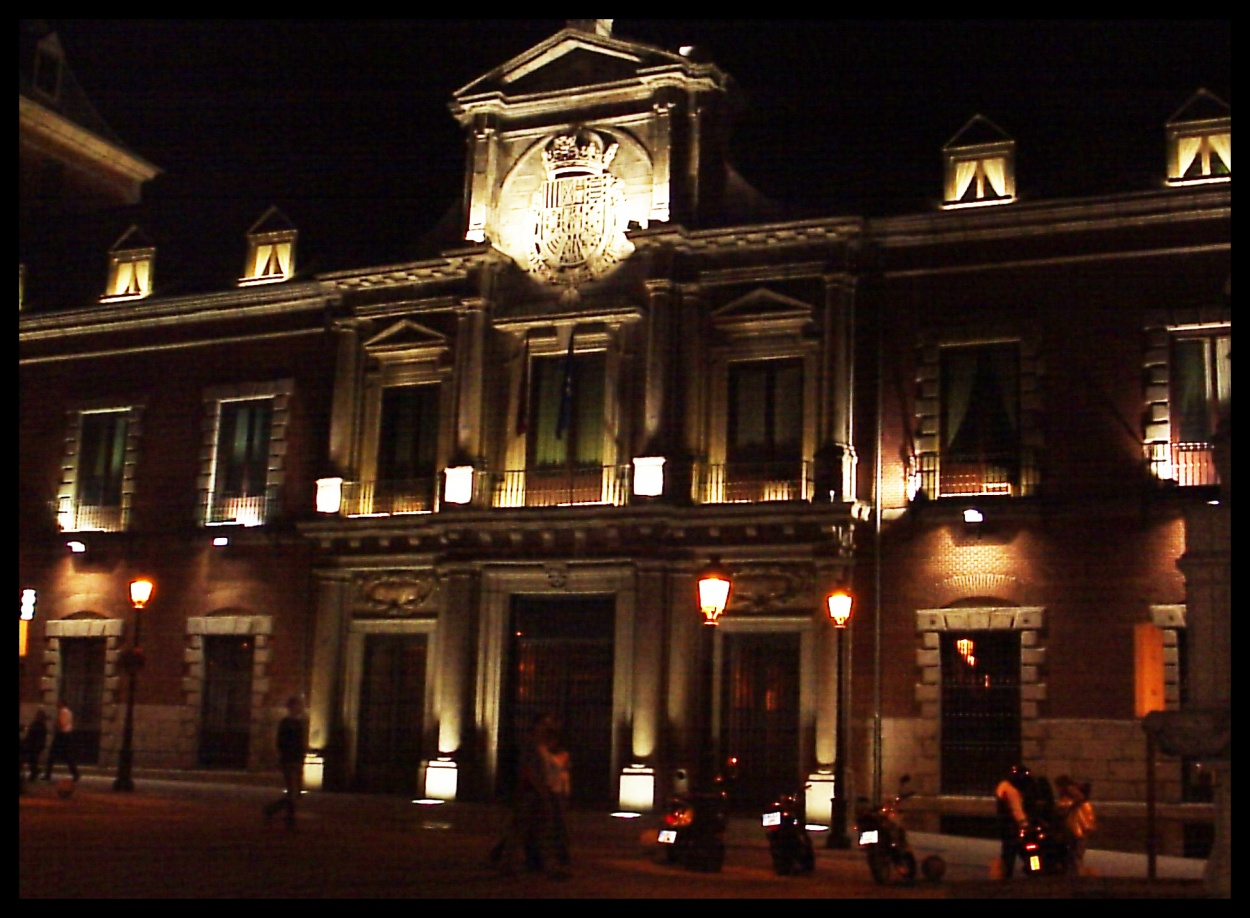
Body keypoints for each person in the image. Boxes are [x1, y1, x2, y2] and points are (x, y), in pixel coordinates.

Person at [263, 695, 308, 829]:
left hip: (296, 759)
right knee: (293, 791)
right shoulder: (286, 723)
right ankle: (289, 818)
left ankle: (273, 810)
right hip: (289, 760)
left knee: (295, 792)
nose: (300, 708)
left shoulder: (299, 723)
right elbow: (281, 742)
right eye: (297, 705)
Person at [994, 764, 1030, 878]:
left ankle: (1007, 872)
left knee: (1008, 850)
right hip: (1012, 824)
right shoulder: (1011, 790)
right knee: (1016, 848)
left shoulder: (1003, 786)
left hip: (1006, 823)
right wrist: (1024, 823)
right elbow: (1016, 809)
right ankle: (1012, 871)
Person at [1055, 775, 1097, 874]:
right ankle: (1077, 870)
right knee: (1076, 851)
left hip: (1076, 827)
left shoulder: (1071, 794)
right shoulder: (1080, 803)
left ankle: (1077, 871)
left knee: (1076, 851)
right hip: (1077, 828)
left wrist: (1070, 807)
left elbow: (1079, 798)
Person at [43, 699, 79, 782]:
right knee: (67, 756)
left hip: (61, 736)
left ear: (62, 703)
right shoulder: (69, 712)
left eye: (58, 703)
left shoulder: (63, 712)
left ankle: (48, 775)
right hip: (67, 735)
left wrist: (55, 724)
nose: (57, 704)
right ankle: (75, 773)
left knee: (52, 755)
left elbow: (61, 725)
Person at [22, 709, 49, 783]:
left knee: (32, 759)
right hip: (35, 745)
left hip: (34, 745)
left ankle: (34, 773)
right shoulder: (40, 725)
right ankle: (35, 772)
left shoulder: (38, 725)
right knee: (33, 760)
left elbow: (32, 735)